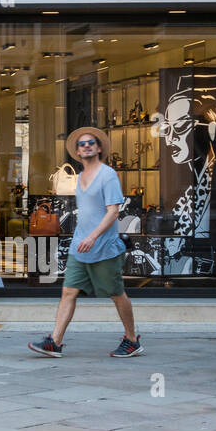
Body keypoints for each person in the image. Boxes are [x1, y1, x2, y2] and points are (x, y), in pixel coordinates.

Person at [29, 127, 143, 359]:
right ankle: (55, 342)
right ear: (77, 152)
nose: (87, 146)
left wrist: (93, 237)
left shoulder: (108, 175)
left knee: (116, 293)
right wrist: (83, 237)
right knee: (68, 292)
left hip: (104, 247)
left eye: (91, 142)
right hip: (80, 247)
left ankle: (132, 339)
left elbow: (113, 212)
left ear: (99, 148)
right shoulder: (80, 177)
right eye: (82, 144)